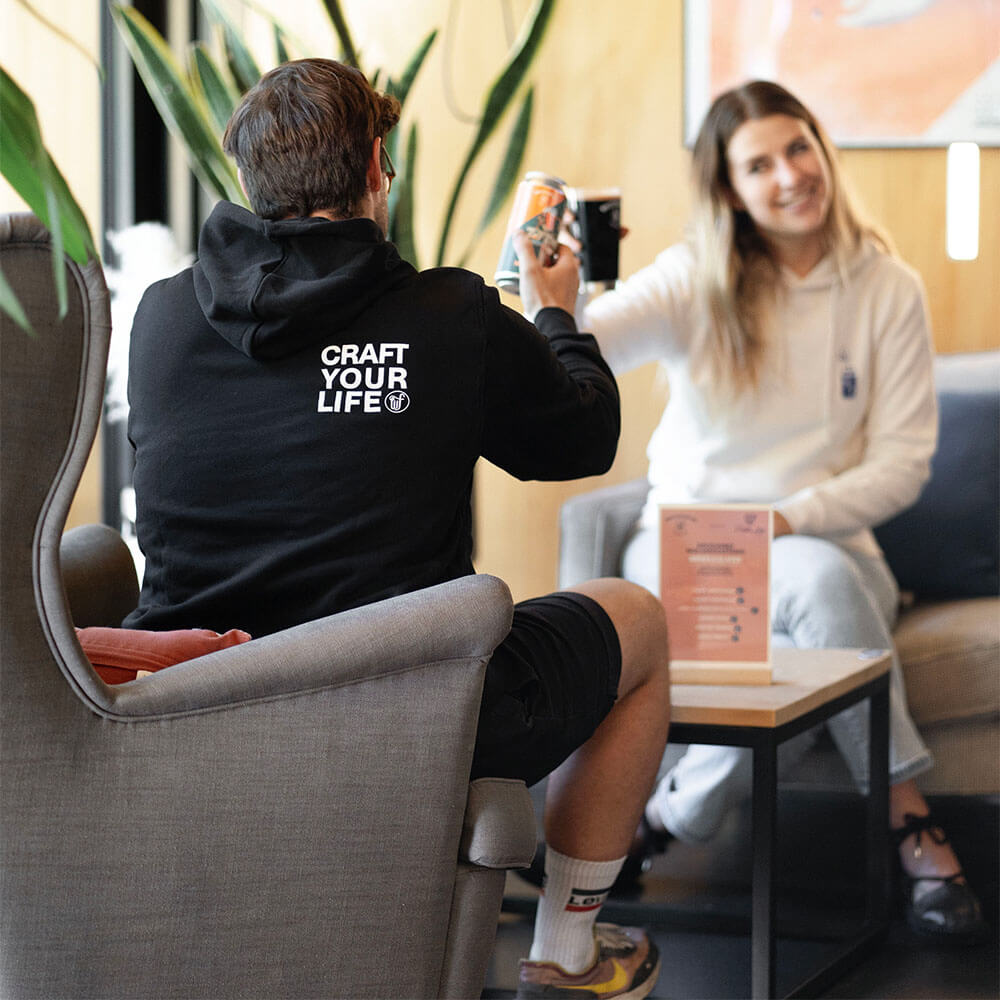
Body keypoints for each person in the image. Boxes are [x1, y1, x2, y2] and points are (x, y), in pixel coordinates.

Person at [123, 58, 670, 997]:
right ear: (378, 165)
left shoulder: (161, 316)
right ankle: (570, 952)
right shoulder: (451, 314)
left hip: (201, 706)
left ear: (252, 181)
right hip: (404, 716)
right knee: (641, 621)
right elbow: (584, 436)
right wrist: (556, 310)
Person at [578, 79, 985, 943]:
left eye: (799, 147)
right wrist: (565, 281)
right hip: (691, 551)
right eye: (758, 164)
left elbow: (903, 465)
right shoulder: (696, 279)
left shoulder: (887, 287)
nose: (791, 174)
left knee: (818, 593)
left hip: (829, 543)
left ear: (822, 150)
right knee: (814, 622)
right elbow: (590, 342)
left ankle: (674, 817)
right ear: (729, 187)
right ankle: (911, 818)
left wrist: (789, 521)